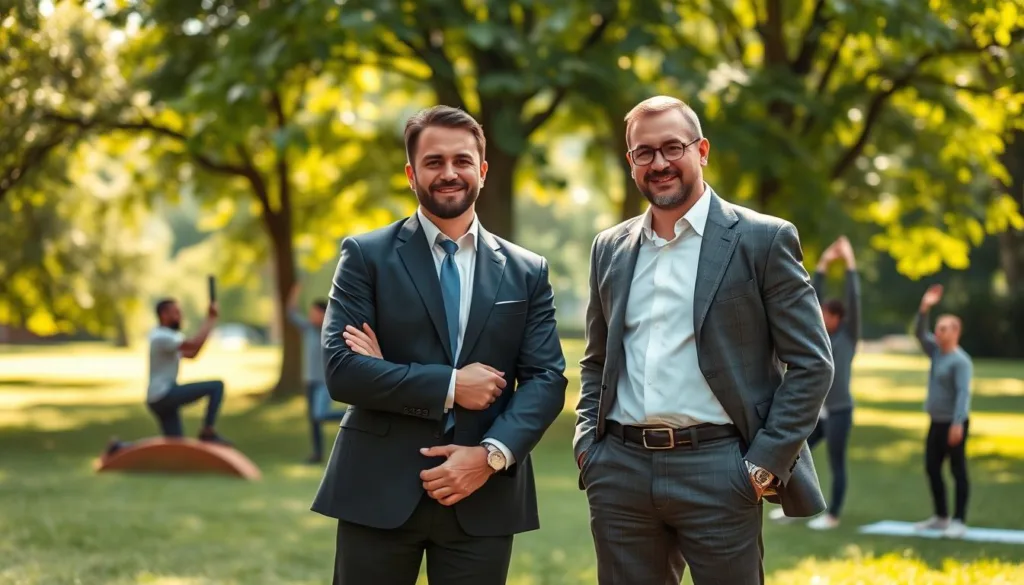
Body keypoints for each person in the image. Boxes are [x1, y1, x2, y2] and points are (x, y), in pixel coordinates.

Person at [573, 95, 834, 585]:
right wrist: (590, 447)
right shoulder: (609, 247)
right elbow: (597, 360)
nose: (660, 163)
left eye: (673, 147)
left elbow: (813, 364)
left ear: (702, 150)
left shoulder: (763, 239)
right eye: (643, 153)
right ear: (630, 163)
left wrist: (761, 467)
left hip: (721, 469)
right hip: (620, 474)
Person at [311, 105, 568, 585]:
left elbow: (547, 379)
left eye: (462, 160)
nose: (448, 173)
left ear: (483, 171)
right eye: (433, 162)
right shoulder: (366, 256)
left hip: (482, 493)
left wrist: (491, 455)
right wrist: (452, 384)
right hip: (378, 489)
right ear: (411, 174)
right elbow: (343, 371)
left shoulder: (527, 270)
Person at [769, 235, 861, 529]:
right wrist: (821, 265)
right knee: (792, 456)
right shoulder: (817, 335)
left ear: (837, 317)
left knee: (836, 463)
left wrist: (849, 264)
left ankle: (833, 515)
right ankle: (790, 507)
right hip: (817, 411)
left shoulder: (848, 336)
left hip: (839, 411)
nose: (820, 315)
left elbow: (854, 300)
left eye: (826, 314)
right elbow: (812, 296)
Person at [911, 284, 973, 538]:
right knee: (931, 468)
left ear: (956, 332)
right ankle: (941, 516)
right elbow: (918, 333)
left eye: (943, 328)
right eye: (937, 328)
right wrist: (925, 307)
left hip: (954, 424)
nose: (938, 331)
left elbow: (963, 394)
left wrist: (958, 423)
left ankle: (958, 520)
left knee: (958, 470)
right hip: (936, 422)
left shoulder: (961, 361)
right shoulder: (936, 352)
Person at [145, 298, 230, 444]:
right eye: (176, 312)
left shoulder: (169, 336)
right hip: (163, 394)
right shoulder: (161, 336)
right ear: (164, 315)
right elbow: (194, 344)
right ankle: (208, 431)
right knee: (217, 386)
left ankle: (119, 447)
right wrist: (210, 319)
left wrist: (210, 322)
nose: (180, 316)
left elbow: (192, 353)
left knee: (175, 445)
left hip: (159, 396)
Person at [287, 282, 344, 463]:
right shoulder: (307, 328)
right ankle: (317, 454)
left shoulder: (331, 331)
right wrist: (295, 291)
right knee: (313, 420)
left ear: (324, 314)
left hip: (324, 382)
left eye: (315, 313)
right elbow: (291, 313)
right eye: (310, 313)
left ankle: (351, 415)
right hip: (309, 381)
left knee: (319, 415)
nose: (311, 316)